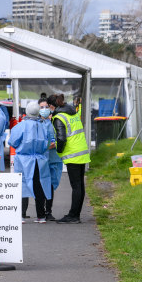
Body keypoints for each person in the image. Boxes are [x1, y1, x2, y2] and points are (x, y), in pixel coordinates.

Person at [47, 94, 91, 224]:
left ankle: (73, 216)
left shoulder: (58, 117)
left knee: (76, 186)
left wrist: (59, 150)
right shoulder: (71, 112)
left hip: (73, 154)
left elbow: (61, 138)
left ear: (51, 106)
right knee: (80, 186)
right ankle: (75, 214)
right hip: (81, 151)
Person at [8, 101, 52, 223]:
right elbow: (47, 144)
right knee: (39, 186)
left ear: (26, 111)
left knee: (22, 185)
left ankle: (21, 215)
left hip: (23, 159)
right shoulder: (43, 126)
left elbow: (12, 142)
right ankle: (41, 216)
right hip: (39, 160)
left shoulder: (20, 126)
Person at [38, 98, 63, 221]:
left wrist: (55, 144)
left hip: (54, 158)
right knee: (43, 185)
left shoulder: (55, 122)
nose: (44, 109)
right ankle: (43, 212)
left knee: (52, 185)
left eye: (46, 107)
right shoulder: (37, 124)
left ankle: (48, 211)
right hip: (42, 159)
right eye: (41, 107)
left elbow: (61, 138)